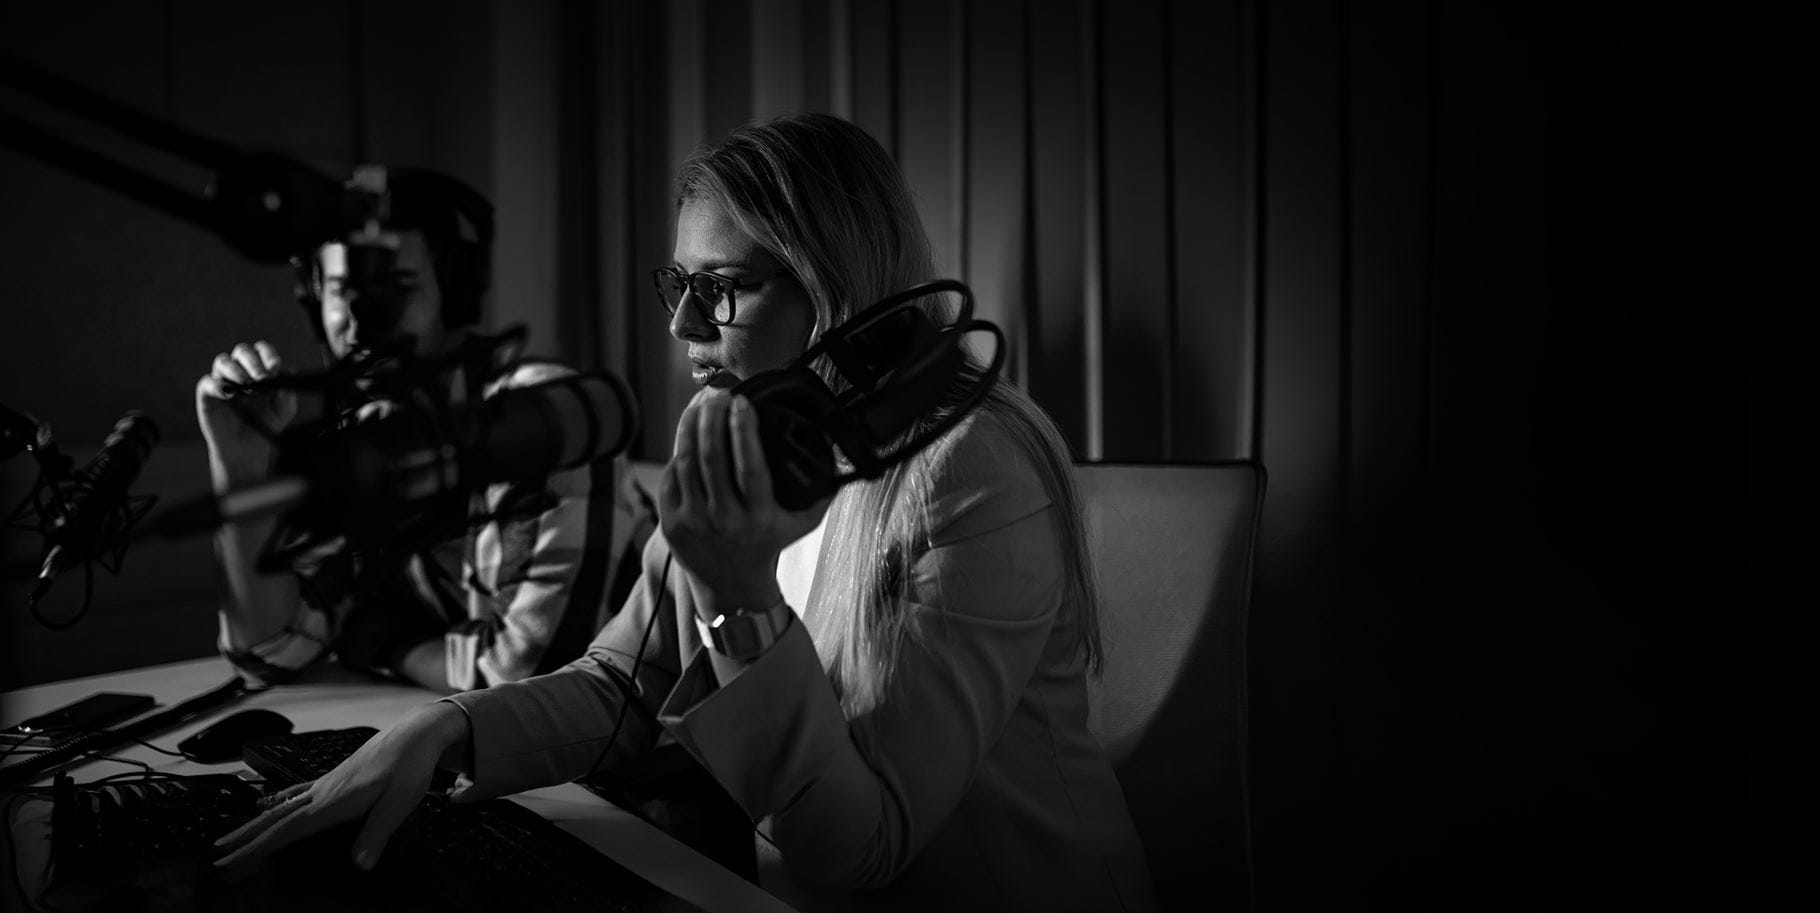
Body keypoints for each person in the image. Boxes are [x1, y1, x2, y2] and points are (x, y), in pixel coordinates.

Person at [211, 114, 1158, 911]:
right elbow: (626, 682)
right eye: (679, 283)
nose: (681, 327)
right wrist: (444, 730)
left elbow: (857, 854)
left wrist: (740, 594)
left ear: (834, 282)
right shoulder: (747, 425)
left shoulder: (969, 469)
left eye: (720, 288)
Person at [194, 168, 639, 694]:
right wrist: (241, 468)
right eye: (344, 292)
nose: (363, 321)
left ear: (454, 293)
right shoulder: (358, 438)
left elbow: (529, 683)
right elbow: (269, 650)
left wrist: (382, 642)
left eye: (396, 288)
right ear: (317, 303)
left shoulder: (542, 419)